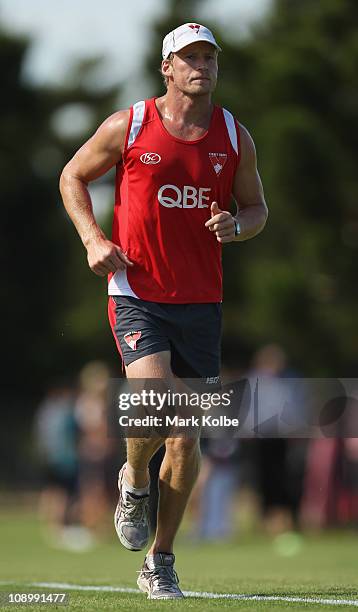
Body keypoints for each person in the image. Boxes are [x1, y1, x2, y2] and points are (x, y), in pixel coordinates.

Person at [59, 22, 268, 599]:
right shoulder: (130, 125)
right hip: (137, 294)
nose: (201, 65)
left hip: (202, 301)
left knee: (187, 437)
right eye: (190, 57)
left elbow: (257, 208)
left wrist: (238, 225)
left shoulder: (234, 135)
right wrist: (93, 240)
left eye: (209, 57)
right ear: (167, 67)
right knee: (154, 409)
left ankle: (161, 559)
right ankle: (133, 478)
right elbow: (71, 175)